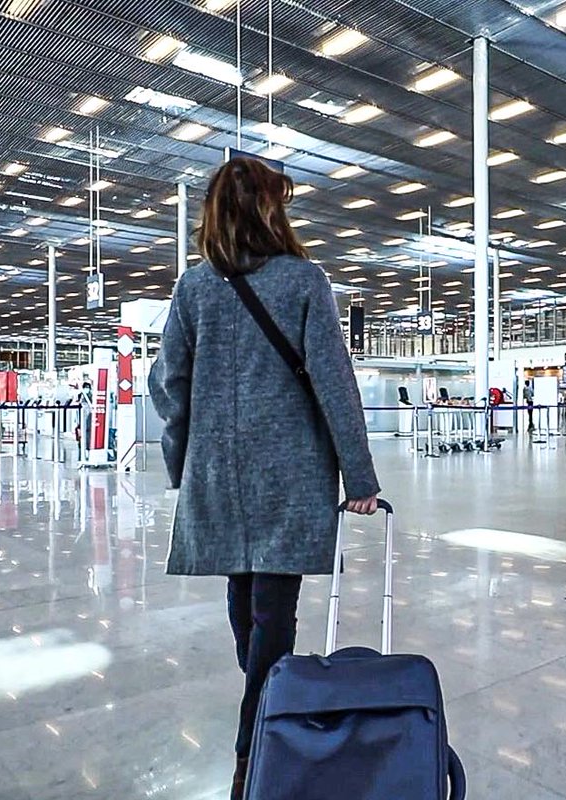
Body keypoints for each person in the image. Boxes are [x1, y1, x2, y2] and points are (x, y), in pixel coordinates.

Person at [148, 157, 381, 800]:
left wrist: (181, 463)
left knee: (241, 594)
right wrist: (357, 476)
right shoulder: (305, 280)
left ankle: (264, 707)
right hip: (291, 470)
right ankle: (258, 736)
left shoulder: (194, 287)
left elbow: (169, 385)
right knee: (274, 605)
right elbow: (335, 384)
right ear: (270, 210)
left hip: (218, 469)